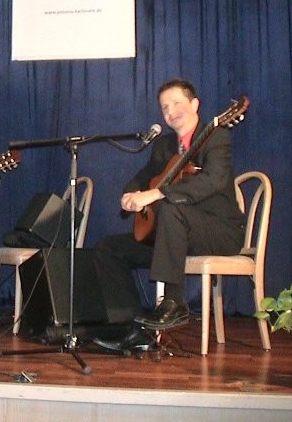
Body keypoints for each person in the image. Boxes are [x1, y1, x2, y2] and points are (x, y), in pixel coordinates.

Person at [93, 79, 245, 351]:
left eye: (177, 103)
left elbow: (213, 181)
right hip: (174, 239)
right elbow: (143, 176)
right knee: (109, 248)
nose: (171, 111)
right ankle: (131, 329)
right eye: (165, 107)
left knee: (172, 207)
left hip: (218, 233)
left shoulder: (216, 137)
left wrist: (156, 194)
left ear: (195, 104)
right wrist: (131, 194)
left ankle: (174, 302)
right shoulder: (164, 145)